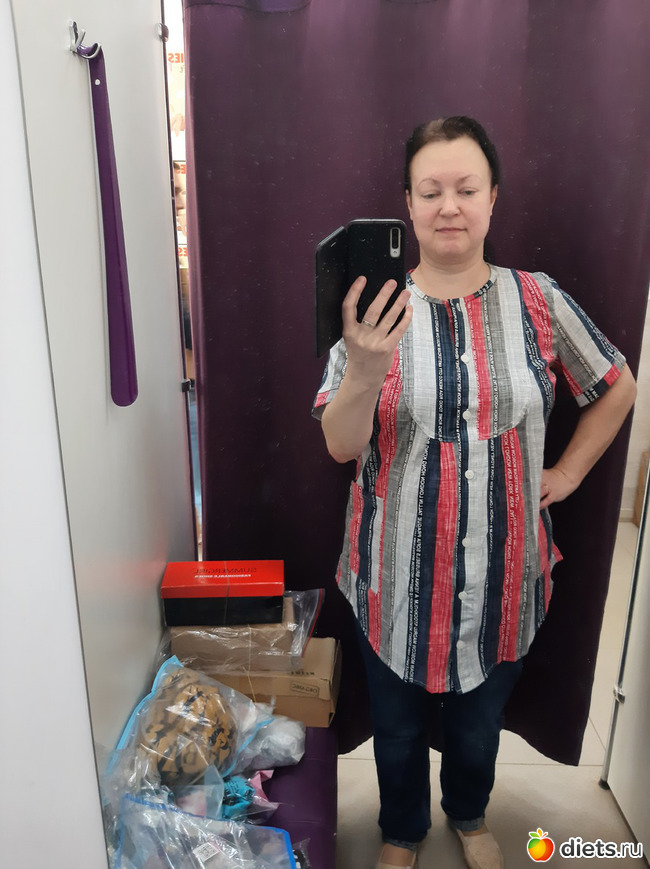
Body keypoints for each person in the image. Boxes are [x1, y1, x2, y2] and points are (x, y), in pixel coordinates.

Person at [312, 117, 637, 869]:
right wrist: (364, 367)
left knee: (477, 724)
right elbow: (340, 444)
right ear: (408, 204)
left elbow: (616, 385)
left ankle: (468, 812)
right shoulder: (373, 310)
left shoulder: (538, 300)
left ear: (493, 199)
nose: (449, 206)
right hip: (393, 572)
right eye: (430, 191)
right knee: (396, 730)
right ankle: (401, 830)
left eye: (466, 188)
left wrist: (569, 473)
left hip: (504, 574)